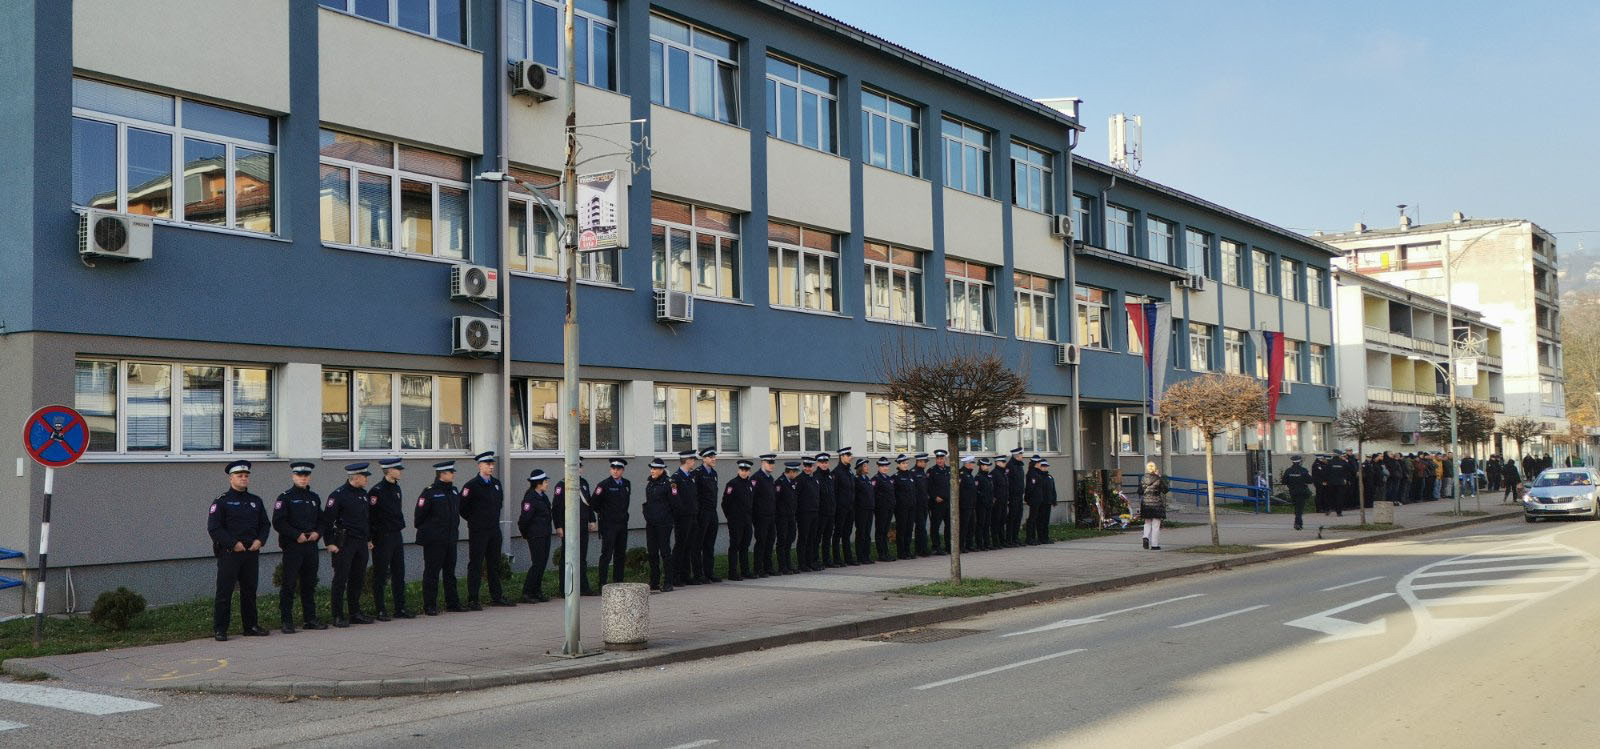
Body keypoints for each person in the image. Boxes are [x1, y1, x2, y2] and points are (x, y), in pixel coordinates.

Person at [209, 460, 272, 641]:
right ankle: (220, 629)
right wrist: (233, 543)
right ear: (231, 478)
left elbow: (265, 525)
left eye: (246, 475)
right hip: (230, 553)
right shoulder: (222, 501)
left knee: (250, 591)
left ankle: (250, 626)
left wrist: (260, 541)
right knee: (224, 592)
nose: (243, 478)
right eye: (239, 475)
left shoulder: (255, 501)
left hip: (251, 552)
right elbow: (214, 528)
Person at [271, 461, 325, 635]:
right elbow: (278, 522)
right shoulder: (285, 497)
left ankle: (310, 619)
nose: (303, 478)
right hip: (293, 546)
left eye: (306, 475)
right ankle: (287, 621)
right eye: (299, 475)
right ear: (293, 476)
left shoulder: (314, 498)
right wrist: (296, 535)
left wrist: (318, 533)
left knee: (309, 584)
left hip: (311, 546)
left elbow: (322, 520)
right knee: (289, 584)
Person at [322, 462, 375, 627]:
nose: (367, 480)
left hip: (361, 542)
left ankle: (355, 613)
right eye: (364, 477)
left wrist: (369, 539)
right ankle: (337, 615)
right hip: (344, 543)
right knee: (340, 579)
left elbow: (366, 519)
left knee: (357, 578)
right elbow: (327, 521)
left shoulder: (363, 494)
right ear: (356, 477)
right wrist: (329, 543)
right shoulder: (338, 495)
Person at [459, 452, 513, 609]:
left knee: (494, 564)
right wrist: (476, 520)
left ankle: (496, 596)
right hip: (478, 530)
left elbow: (499, 503)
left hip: (494, 529)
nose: (491, 467)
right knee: (476, 564)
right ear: (480, 465)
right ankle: (473, 599)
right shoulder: (471, 485)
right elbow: (463, 508)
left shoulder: (496, 483)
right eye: (488, 464)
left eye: (492, 464)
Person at [415, 461, 464, 615]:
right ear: (442, 474)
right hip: (435, 540)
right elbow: (419, 518)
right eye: (450, 472)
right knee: (432, 573)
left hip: (450, 538)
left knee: (450, 573)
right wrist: (432, 532)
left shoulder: (454, 491)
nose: (453, 474)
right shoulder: (429, 492)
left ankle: (453, 603)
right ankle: (430, 605)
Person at [367, 457, 412, 621]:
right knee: (381, 574)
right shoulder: (376, 491)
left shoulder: (397, 488)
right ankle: (380, 609)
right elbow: (370, 516)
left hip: (396, 535)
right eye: (397, 469)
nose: (400, 472)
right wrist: (370, 538)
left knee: (399, 572)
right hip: (382, 537)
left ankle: (400, 608)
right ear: (389, 471)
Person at [553, 465, 597, 597]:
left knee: (582, 558)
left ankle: (583, 587)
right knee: (566, 558)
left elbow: (588, 503)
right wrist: (558, 526)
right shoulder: (562, 484)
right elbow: (556, 507)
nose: (578, 470)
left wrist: (592, 519)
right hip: (568, 527)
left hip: (582, 526)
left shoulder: (584, 483)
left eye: (580, 467)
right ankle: (564, 588)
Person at [593, 459, 631, 589]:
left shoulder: (626, 484)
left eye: (618, 469)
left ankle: (618, 581)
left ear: (622, 470)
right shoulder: (603, 485)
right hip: (609, 525)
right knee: (607, 554)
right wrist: (605, 514)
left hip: (622, 524)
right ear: (610, 469)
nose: (615, 471)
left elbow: (625, 502)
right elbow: (594, 503)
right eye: (613, 468)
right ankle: (602, 583)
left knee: (620, 553)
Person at [517, 469, 553, 603]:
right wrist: (525, 534)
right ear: (538, 483)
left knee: (542, 564)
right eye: (545, 482)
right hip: (536, 535)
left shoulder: (543, 496)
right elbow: (524, 519)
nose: (547, 484)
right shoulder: (530, 498)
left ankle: (537, 591)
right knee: (537, 564)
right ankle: (527, 592)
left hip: (545, 534)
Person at [642, 459, 675, 591]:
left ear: (662, 470)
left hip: (664, 523)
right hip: (651, 523)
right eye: (651, 468)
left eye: (655, 469)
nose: (652, 471)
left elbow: (674, 503)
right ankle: (654, 581)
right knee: (652, 552)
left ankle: (668, 582)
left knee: (665, 552)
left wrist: (668, 518)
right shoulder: (650, 484)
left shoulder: (669, 483)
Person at [670, 450, 700, 585]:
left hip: (692, 515)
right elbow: (675, 499)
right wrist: (682, 512)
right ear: (687, 461)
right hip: (682, 517)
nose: (694, 462)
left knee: (689, 546)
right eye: (693, 460)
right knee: (680, 546)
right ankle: (675, 576)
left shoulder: (690, 476)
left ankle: (686, 575)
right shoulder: (676, 478)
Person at [722, 459, 755, 580]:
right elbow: (725, 503)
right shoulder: (732, 484)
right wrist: (731, 518)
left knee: (745, 546)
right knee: (734, 546)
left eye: (746, 470)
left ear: (749, 471)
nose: (744, 472)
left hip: (747, 520)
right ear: (738, 470)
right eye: (742, 470)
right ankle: (733, 573)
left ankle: (745, 571)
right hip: (736, 521)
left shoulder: (750, 484)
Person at [694, 448, 723, 584]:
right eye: (711, 457)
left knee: (709, 545)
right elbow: (695, 495)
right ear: (704, 458)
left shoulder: (714, 473)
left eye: (714, 457)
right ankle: (698, 574)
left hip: (712, 512)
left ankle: (709, 573)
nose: (714, 459)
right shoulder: (698, 473)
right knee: (698, 544)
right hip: (702, 513)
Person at [752, 454, 778, 577]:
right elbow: (753, 499)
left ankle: (768, 567)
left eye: (772, 463)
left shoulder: (770, 478)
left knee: (770, 541)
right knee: (761, 542)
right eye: (769, 463)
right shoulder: (756, 478)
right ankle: (758, 568)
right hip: (761, 516)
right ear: (762, 463)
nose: (771, 465)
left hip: (771, 515)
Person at [831, 447, 856, 565]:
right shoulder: (836, 472)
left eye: (850, 455)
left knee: (847, 533)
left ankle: (848, 558)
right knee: (838, 533)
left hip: (850, 508)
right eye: (848, 455)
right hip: (840, 508)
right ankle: (837, 558)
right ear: (841, 456)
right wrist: (836, 508)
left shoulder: (849, 471)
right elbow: (834, 492)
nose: (850, 457)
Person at [796, 456, 821, 571]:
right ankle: (802, 563)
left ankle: (810, 562)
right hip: (804, 514)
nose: (807, 468)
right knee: (803, 538)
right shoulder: (799, 479)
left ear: (813, 467)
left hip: (814, 512)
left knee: (812, 538)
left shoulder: (814, 479)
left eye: (810, 466)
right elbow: (796, 498)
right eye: (806, 466)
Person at [775, 461, 801, 574]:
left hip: (791, 516)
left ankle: (788, 564)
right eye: (795, 472)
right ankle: (782, 566)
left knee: (790, 539)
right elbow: (776, 500)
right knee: (782, 540)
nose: (796, 474)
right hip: (782, 517)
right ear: (790, 471)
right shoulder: (780, 482)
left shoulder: (793, 482)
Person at [1025, 458, 1056, 544]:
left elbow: (1053, 489)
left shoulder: (1050, 477)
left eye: (1046, 466)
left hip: (1048, 501)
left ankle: (1045, 537)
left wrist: (1054, 499)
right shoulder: (1037, 475)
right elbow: (1032, 488)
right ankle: (1039, 537)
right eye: (1043, 466)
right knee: (1039, 520)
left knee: (1046, 521)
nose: (1045, 468)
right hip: (1041, 502)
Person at [1139, 462, 1168, 550]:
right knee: (1155, 525)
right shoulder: (1158, 478)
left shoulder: (1143, 478)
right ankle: (1154, 545)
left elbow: (1139, 491)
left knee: (1147, 522)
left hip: (1145, 503)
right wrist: (1160, 477)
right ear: (1155, 469)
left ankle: (1145, 537)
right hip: (1156, 503)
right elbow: (1165, 490)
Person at [814, 453, 836, 568]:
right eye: (822, 462)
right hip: (821, 513)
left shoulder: (830, 476)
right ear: (817, 463)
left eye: (826, 462)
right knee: (817, 538)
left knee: (827, 537)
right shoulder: (816, 477)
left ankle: (827, 559)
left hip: (830, 512)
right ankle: (815, 559)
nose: (824, 464)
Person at [927, 450, 951, 554]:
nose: (939, 460)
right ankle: (936, 547)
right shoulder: (931, 471)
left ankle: (949, 546)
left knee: (949, 525)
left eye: (941, 458)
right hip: (937, 503)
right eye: (938, 458)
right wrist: (934, 497)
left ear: (945, 459)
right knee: (935, 526)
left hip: (948, 502)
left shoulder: (949, 470)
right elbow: (929, 486)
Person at [872, 457, 896, 561]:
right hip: (881, 509)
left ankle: (886, 553)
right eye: (882, 466)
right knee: (880, 531)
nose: (885, 468)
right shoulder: (876, 479)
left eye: (886, 466)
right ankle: (881, 554)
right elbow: (873, 495)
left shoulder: (889, 479)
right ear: (878, 467)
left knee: (885, 531)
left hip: (889, 508)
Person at [1281, 455, 1314, 531]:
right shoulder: (1303, 470)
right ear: (1300, 461)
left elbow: (1284, 481)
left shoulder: (1288, 471)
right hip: (1302, 491)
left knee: (1297, 507)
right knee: (1299, 508)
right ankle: (1298, 524)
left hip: (1293, 492)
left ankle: (1298, 523)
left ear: (1292, 461)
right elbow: (1310, 480)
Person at [854, 457, 877, 564]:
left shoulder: (867, 479)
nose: (867, 467)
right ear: (860, 468)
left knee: (867, 533)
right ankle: (860, 556)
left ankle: (866, 555)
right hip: (861, 510)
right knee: (861, 533)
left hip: (869, 509)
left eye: (867, 465)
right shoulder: (856, 479)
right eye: (865, 466)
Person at [893, 454, 916, 560]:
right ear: (898, 464)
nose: (905, 465)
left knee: (909, 529)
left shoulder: (910, 475)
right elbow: (894, 494)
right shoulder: (896, 477)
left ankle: (907, 551)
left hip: (911, 507)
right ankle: (901, 552)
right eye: (903, 463)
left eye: (906, 463)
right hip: (901, 508)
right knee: (901, 530)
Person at [912, 453, 932, 557]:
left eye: (925, 462)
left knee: (922, 527)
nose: (925, 464)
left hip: (924, 504)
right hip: (917, 504)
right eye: (924, 462)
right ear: (918, 462)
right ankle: (922, 549)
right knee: (921, 527)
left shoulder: (922, 472)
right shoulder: (913, 473)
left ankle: (921, 548)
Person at [1006, 448, 1027, 546]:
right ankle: (1009, 539)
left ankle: (1015, 538)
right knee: (1012, 517)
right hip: (1013, 496)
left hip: (1019, 496)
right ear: (1017, 455)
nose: (1022, 456)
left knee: (1018, 517)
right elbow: (1008, 482)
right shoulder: (1010, 466)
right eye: (1021, 454)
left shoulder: (1019, 466)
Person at [990, 454, 1010, 549]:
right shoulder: (994, 474)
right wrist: (994, 499)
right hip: (997, 502)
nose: (1005, 463)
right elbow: (992, 488)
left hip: (1004, 501)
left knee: (1002, 521)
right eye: (1003, 462)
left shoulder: (1003, 473)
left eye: (1004, 461)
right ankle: (995, 541)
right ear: (997, 463)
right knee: (996, 521)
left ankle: (1002, 540)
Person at [958, 456, 978, 552]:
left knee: (971, 525)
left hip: (971, 504)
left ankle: (969, 545)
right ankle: (961, 546)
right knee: (964, 526)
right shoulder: (961, 474)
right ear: (968, 464)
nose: (973, 465)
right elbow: (959, 490)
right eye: (972, 463)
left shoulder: (969, 474)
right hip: (964, 505)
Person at [974, 458, 995, 550]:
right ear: (981, 466)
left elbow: (991, 490)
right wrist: (983, 499)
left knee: (987, 524)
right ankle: (980, 544)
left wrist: (992, 499)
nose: (987, 467)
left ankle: (987, 543)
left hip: (989, 504)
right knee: (981, 524)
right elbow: (977, 492)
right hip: (981, 505)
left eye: (988, 466)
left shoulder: (988, 477)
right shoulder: (978, 477)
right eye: (986, 466)